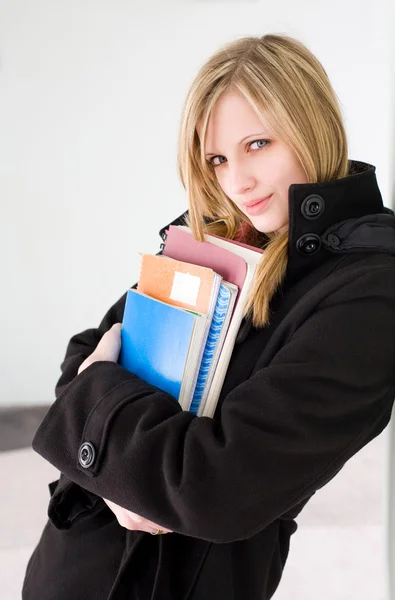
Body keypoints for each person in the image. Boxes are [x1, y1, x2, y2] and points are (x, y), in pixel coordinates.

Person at [22, 33, 395, 600]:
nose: (236, 182)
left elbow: (216, 486)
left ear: (310, 123)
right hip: (67, 565)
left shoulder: (371, 288)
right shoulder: (218, 237)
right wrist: (131, 478)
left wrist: (108, 440)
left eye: (258, 144)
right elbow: (85, 354)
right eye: (218, 158)